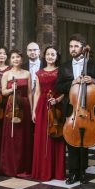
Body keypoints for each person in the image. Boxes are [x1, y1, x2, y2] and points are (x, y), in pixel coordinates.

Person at [56, 33, 95, 185]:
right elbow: (58, 86)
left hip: (87, 108)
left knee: (85, 141)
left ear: (83, 48)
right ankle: (73, 172)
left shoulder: (94, 65)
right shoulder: (64, 66)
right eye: (71, 46)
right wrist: (72, 82)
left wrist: (94, 80)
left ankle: (83, 171)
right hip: (71, 109)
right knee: (71, 141)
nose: (73, 49)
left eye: (76, 46)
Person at [31, 46, 65, 181]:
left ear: (57, 57)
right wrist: (34, 110)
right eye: (48, 54)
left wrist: (57, 100)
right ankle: (42, 170)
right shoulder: (39, 73)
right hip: (42, 106)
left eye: (53, 54)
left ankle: (55, 171)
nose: (50, 56)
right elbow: (37, 92)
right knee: (41, 137)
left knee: (55, 136)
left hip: (56, 106)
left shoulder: (61, 71)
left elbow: (65, 91)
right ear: (44, 56)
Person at [0, 49, 33, 177]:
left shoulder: (27, 73)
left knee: (23, 137)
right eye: (13, 57)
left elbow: (30, 92)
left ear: (22, 59)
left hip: (24, 105)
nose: (16, 59)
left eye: (18, 57)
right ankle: (10, 166)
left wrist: (31, 108)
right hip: (11, 105)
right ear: (10, 60)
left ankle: (23, 167)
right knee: (11, 137)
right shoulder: (6, 74)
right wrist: (11, 89)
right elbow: (3, 92)